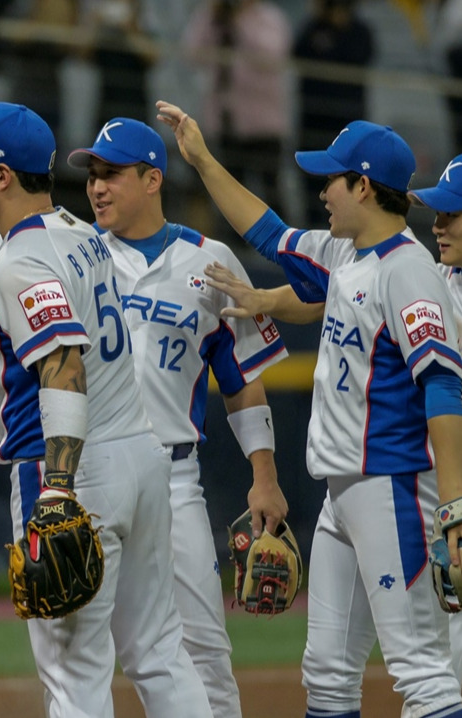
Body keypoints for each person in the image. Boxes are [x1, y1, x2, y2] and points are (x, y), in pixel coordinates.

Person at [0, 83, 214, 717]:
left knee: (75, 678)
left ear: (1, 176)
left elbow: (63, 367)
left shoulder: (23, 260)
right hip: (140, 458)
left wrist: (57, 489)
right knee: (160, 652)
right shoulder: (77, 234)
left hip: (72, 469)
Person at [155, 99, 462, 716]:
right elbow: (268, 233)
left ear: (364, 187)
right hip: (342, 493)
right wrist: (205, 162)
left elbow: (442, 387)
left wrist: (454, 508)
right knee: (326, 674)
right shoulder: (349, 254)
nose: (322, 191)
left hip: (392, 485)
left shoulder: (409, 273)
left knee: (422, 672)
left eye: (332, 180)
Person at [65, 117, 290, 717]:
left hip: (174, 479)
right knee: (79, 655)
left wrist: (264, 476)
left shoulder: (210, 261)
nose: (97, 187)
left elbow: (242, 381)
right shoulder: (73, 253)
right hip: (89, 475)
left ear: (152, 179)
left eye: (111, 173)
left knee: (205, 654)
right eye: (92, 174)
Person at [181, 0, 292, 234]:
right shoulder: (216, 18)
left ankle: (284, 244)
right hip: (227, 124)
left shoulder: (269, 19)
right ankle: (234, 244)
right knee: (230, 194)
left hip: (263, 125)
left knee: (271, 192)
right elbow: (192, 53)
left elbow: (272, 56)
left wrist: (238, 22)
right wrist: (210, 15)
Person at [293, 0, 375, 226]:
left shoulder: (360, 31)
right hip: (314, 118)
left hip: (347, 121)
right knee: (311, 182)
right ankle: (312, 227)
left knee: (347, 179)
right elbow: (298, 52)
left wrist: (337, 32)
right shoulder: (313, 28)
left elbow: (358, 57)